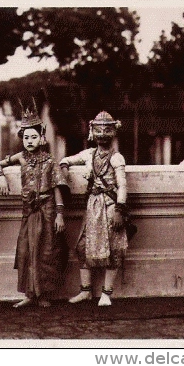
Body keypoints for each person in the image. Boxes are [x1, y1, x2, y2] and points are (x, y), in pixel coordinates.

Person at [0, 101, 68, 308]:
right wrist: (1, 178)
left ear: (41, 138)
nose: (30, 141)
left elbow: (57, 187)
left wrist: (60, 214)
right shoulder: (22, 158)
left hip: (47, 210)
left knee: (46, 251)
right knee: (27, 250)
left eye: (34, 136)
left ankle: (43, 294)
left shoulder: (49, 161)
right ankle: (29, 293)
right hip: (29, 210)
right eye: (26, 137)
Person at [59, 111, 129, 307]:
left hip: (110, 205)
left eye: (107, 130)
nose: (102, 134)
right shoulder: (89, 154)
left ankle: (106, 293)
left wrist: (119, 210)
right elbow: (65, 160)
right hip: (92, 207)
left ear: (113, 132)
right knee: (83, 247)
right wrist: (65, 173)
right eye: (98, 130)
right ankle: (86, 291)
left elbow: (122, 185)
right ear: (92, 132)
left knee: (112, 249)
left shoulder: (117, 158)